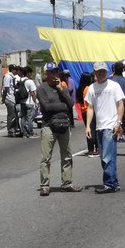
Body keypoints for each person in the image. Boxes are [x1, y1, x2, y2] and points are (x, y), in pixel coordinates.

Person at [37, 63, 82, 196]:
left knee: (67, 156)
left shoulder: (62, 86)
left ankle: (67, 183)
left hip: (64, 124)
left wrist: (61, 90)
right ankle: (45, 185)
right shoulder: (42, 88)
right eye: (52, 72)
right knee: (46, 157)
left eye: (56, 72)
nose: (55, 74)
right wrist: (62, 106)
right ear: (47, 74)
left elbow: (70, 104)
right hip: (49, 126)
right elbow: (46, 107)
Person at [83, 62, 125, 193]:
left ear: (106, 72)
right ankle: (114, 182)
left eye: (103, 71)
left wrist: (118, 122)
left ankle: (109, 184)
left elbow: (120, 104)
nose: (101, 73)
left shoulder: (114, 86)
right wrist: (88, 126)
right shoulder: (92, 88)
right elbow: (90, 108)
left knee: (107, 156)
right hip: (99, 127)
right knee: (105, 157)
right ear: (94, 72)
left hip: (110, 126)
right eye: (98, 71)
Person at [110, 61, 125, 157]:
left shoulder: (110, 80)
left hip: (113, 108)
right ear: (123, 69)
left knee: (112, 129)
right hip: (124, 108)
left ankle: (112, 150)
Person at [19, 66, 38, 139]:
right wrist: (35, 102)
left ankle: (24, 133)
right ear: (28, 73)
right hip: (29, 102)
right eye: (31, 73)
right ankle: (30, 133)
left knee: (23, 117)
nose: (31, 74)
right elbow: (33, 93)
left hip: (22, 102)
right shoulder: (30, 81)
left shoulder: (20, 80)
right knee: (30, 118)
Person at [3, 65, 20, 137]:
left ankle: (16, 129)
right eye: (15, 70)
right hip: (9, 98)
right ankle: (10, 130)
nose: (17, 71)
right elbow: (6, 88)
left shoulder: (13, 77)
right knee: (11, 116)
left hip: (13, 98)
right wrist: (3, 98)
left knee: (15, 115)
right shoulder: (7, 77)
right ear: (12, 70)